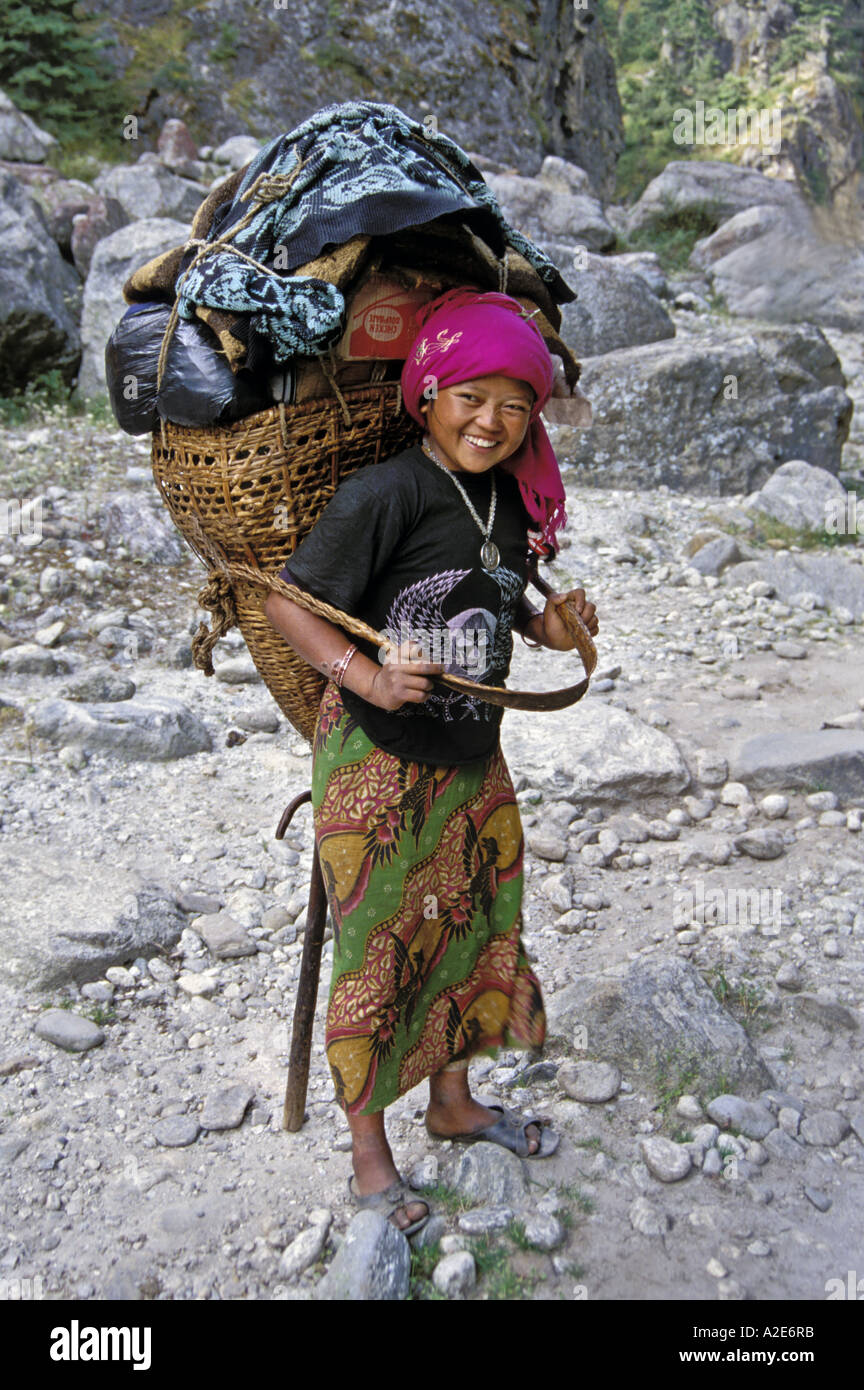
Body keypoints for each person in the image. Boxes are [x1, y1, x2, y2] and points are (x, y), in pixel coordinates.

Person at [264, 287, 599, 1235]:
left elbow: (501, 604)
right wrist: (363, 678)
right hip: (377, 758)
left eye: (516, 404)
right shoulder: (385, 494)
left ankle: (452, 1103)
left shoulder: (507, 496)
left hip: (470, 753)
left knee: (474, 919)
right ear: (429, 393)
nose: (492, 422)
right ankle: (370, 1155)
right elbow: (291, 601)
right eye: (471, 397)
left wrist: (549, 625)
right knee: (379, 946)